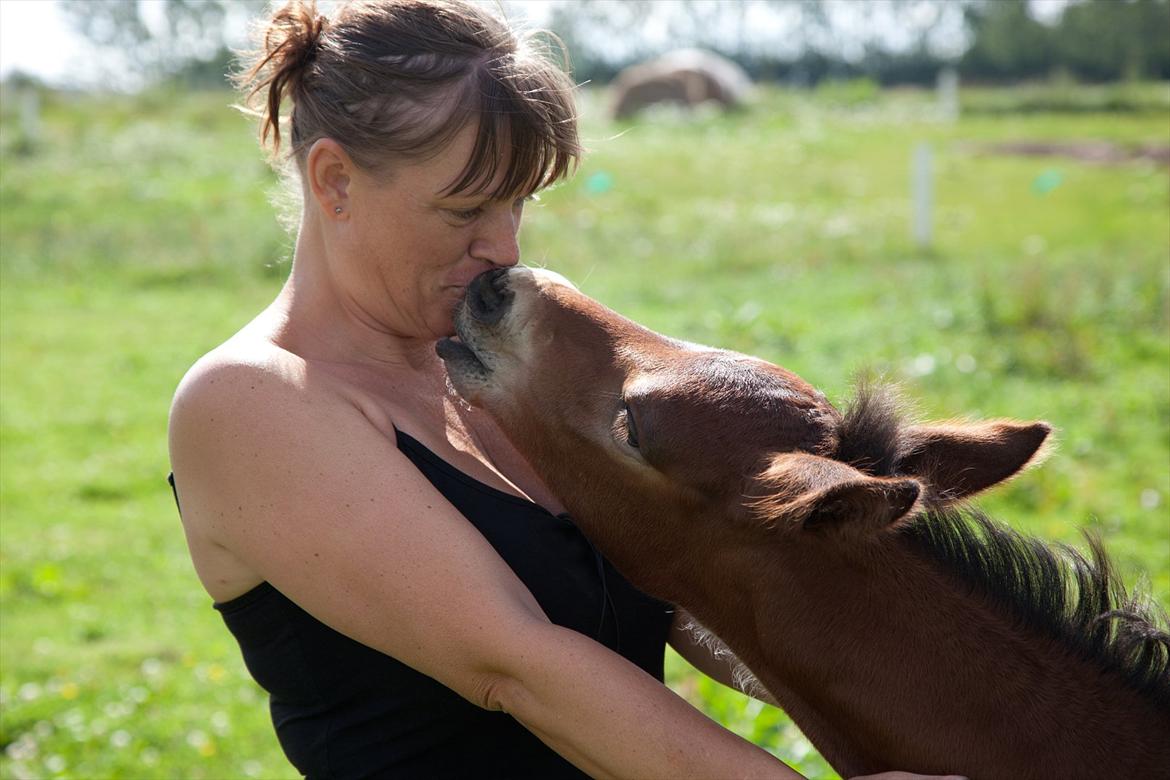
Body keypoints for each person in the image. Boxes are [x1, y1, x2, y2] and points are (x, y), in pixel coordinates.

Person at [168, 1, 966, 778]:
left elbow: (693, 597)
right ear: (335, 180)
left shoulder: (493, 365)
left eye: (518, 201)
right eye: (465, 208)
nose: (504, 245)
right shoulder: (249, 403)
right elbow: (519, 667)